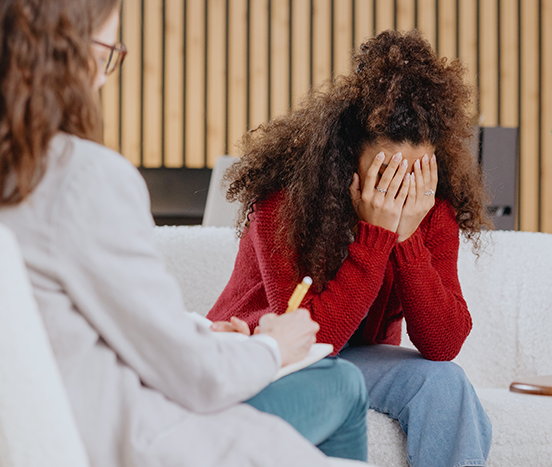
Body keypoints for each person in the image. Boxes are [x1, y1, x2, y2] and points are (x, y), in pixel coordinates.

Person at [0, 0, 370, 465]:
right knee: (342, 384)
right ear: (71, 57)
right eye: (106, 55)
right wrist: (272, 346)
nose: (102, 79)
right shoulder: (82, 178)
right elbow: (196, 377)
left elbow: (50, 314)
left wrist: (194, 330)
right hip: (114, 444)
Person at [207, 29, 493, 467]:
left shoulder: (431, 209)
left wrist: (408, 239)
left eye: (417, 172)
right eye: (386, 171)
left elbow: (444, 343)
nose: (403, 189)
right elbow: (308, 342)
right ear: (349, 156)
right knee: (336, 377)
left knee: (448, 385)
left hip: (358, 359)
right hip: (269, 351)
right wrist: (375, 237)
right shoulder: (284, 202)